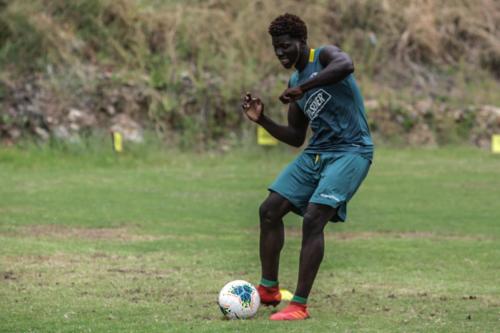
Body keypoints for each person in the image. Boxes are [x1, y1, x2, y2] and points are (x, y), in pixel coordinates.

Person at [241, 13, 374, 321]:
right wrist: (261, 119)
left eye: (286, 46)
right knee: (269, 210)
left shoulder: (324, 56)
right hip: (316, 153)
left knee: (314, 218)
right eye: (276, 48)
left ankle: (299, 305)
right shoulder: (294, 82)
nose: (280, 53)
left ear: (302, 42)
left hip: (351, 151)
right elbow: (296, 137)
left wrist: (305, 88)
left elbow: (347, 66)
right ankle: (269, 289)